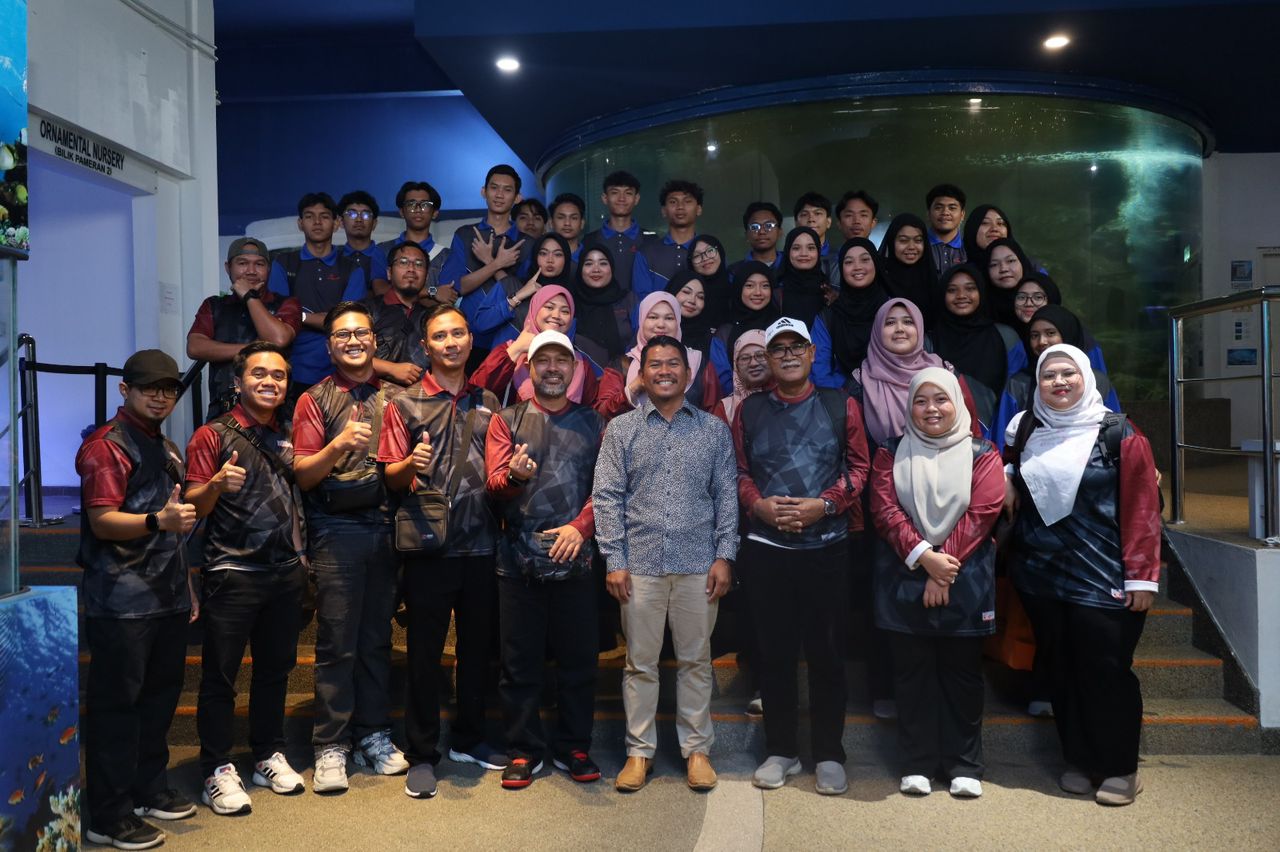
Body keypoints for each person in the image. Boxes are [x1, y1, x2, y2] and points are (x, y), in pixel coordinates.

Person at [1003, 344, 1161, 807]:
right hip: (1041, 575)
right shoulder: (1028, 428)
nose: (1058, 382)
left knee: (1106, 671)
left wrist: (1142, 577)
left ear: (1087, 377)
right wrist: (1009, 474)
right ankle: (1077, 758)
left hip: (1106, 572)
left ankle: (1120, 767)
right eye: (1049, 375)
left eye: (1067, 373)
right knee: (1061, 668)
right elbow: (1012, 465)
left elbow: (1143, 509)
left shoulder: (1120, 434)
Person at [593, 335, 738, 794]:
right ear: (642, 374)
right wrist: (614, 560)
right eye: (654, 364)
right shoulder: (621, 430)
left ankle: (697, 751)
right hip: (639, 565)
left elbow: (726, 497)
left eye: (673, 364)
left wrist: (725, 555)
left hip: (699, 564)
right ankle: (639, 753)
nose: (664, 371)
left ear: (687, 374)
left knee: (696, 661)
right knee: (640, 664)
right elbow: (607, 497)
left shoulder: (712, 430)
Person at [733, 316, 870, 796]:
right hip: (767, 550)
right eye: (779, 349)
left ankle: (829, 753)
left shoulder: (839, 404)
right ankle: (782, 750)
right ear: (768, 359)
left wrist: (824, 506)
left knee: (827, 655)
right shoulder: (750, 410)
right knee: (774, 655)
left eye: (797, 347)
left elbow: (860, 468)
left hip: (826, 547)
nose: (788, 355)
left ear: (813, 354)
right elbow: (739, 471)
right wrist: (758, 506)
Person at [377, 306, 506, 799]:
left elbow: (497, 472)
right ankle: (422, 753)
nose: (450, 343)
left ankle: (469, 739)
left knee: (477, 652)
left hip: (482, 544)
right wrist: (410, 463)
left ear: (470, 340)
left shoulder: (488, 400)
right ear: (425, 347)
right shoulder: (404, 403)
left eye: (457, 333)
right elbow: (390, 477)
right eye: (439, 336)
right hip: (428, 547)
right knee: (424, 655)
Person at [77, 350, 198, 850]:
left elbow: (176, 526)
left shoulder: (165, 445)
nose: (160, 396)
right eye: (150, 387)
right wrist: (156, 521)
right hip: (121, 598)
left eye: (168, 388)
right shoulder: (106, 446)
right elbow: (103, 521)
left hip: (166, 594)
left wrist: (185, 584)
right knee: (117, 707)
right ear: (125, 390)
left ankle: (148, 790)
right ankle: (107, 815)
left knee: (160, 699)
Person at [869, 368, 1004, 798]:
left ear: (957, 403)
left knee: (963, 676)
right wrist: (926, 558)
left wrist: (943, 567)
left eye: (941, 399)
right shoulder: (890, 452)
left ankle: (965, 765)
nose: (931, 409)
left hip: (965, 581)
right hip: (905, 576)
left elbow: (983, 511)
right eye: (921, 400)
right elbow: (885, 510)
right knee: (912, 677)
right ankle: (917, 764)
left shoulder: (983, 453)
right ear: (909, 407)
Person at [846, 299, 984, 719]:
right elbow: (853, 446)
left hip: (949, 501)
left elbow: (972, 432)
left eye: (908, 321)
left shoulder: (946, 372)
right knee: (887, 596)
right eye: (890, 322)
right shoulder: (860, 380)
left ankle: (941, 698)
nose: (900, 328)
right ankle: (885, 688)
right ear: (877, 331)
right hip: (886, 502)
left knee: (945, 593)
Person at [185, 342, 307, 815]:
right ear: (237, 382)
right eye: (259, 374)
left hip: (284, 572)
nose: (269, 382)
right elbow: (193, 507)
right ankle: (215, 768)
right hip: (232, 572)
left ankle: (267, 754)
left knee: (275, 671)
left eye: (278, 375)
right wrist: (216, 485)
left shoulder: (288, 433)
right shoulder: (211, 435)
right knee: (220, 677)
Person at [291, 301, 407, 794]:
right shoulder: (313, 399)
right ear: (329, 345)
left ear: (375, 341)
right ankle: (331, 744)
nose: (353, 341)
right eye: (343, 334)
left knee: (377, 640)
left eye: (361, 333)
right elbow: (303, 474)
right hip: (336, 531)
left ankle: (373, 734)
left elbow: (403, 470)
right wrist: (338, 445)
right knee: (337, 642)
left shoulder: (397, 397)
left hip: (386, 527)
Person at [484, 330, 608, 789]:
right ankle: (524, 749)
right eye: (543, 361)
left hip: (576, 558)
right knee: (519, 664)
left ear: (574, 369)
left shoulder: (595, 423)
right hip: (517, 561)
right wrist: (514, 478)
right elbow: (493, 488)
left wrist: (581, 528)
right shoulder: (507, 419)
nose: (552, 368)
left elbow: (608, 490)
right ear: (529, 368)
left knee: (578, 662)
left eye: (561, 360)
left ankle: (575, 746)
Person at [267, 192, 369, 401]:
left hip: (341, 370)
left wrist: (301, 317)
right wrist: (322, 318)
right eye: (309, 216)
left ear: (336, 223)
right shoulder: (284, 263)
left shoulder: (352, 268)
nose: (317, 222)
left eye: (324, 216)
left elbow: (345, 322)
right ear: (300, 223)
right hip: (292, 370)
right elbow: (278, 319)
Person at [188, 237, 301, 421]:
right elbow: (195, 347)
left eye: (259, 264)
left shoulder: (286, 303)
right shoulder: (214, 305)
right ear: (228, 268)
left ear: (268, 269)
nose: (251, 271)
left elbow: (278, 339)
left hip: (276, 415)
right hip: (223, 411)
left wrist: (249, 297)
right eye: (242, 263)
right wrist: (253, 349)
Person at [992, 304, 1119, 452]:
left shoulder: (1097, 381)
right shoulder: (1019, 383)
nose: (1042, 341)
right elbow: (1003, 440)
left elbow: (1114, 432)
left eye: (1050, 333)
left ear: (1068, 333)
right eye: (1034, 335)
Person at [469, 284, 607, 409]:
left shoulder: (579, 362)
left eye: (565, 311)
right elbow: (476, 391)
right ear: (534, 310)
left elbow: (591, 412)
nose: (556, 315)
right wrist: (516, 350)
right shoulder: (509, 350)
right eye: (549, 307)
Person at [441, 165, 527, 358]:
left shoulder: (527, 243)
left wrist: (489, 262)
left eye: (507, 190)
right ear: (483, 192)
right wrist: (496, 264)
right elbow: (455, 288)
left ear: (517, 198)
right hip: (469, 338)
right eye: (494, 188)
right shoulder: (465, 234)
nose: (499, 195)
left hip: (512, 340)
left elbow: (525, 296)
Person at [930, 264, 1027, 432]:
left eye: (970, 288)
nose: (961, 295)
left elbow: (1018, 392)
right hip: (943, 435)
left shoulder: (1006, 337)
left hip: (1000, 435)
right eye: (952, 290)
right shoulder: (929, 342)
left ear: (981, 292)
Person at [598, 291, 721, 417]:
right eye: (653, 317)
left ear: (678, 322)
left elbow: (714, 418)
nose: (661, 325)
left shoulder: (699, 363)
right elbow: (601, 413)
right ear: (641, 321)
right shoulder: (622, 364)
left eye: (669, 318)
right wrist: (635, 386)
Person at [470, 232, 574, 351]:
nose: (550, 260)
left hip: (546, 361)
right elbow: (480, 324)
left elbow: (567, 346)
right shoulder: (510, 285)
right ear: (535, 257)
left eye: (558, 254)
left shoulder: (569, 298)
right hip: (505, 360)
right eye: (543, 253)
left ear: (566, 260)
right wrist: (518, 296)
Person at [812, 238, 890, 388]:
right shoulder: (828, 317)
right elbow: (820, 374)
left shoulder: (891, 310)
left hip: (888, 392)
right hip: (841, 395)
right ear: (841, 269)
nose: (857, 267)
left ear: (876, 264)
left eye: (865, 260)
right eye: (848, 262)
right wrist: (849, 391)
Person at [377, 180, 456, 309]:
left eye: (425, 205)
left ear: (435, 213)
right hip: (388, 318)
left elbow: (446, 299)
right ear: (401, 211)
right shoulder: (382, 250)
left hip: (432, 320)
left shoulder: (448, 256)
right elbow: (380, 291)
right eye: (411, 204)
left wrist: (405, 294)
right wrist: (432, 291)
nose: (418, 209)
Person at [363, 241, 433, 387]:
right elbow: (346, 356)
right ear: (389, 273)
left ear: (426, 276)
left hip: (420, 397)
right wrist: (391, 369)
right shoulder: (365, 311)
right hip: (371, 395)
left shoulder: (432, 317)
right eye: (403, 262)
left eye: (419, 264)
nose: (411, 269)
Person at [709, 261, 781, 395]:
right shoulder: (725, 333)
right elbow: (722, 380)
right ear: (738, 289)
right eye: (749, 286)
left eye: (765, 286)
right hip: (738, 403)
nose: (758, 292)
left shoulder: (781, 327)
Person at [569, 244, 635, 375]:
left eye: (603, 263)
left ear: (612, 268)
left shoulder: (628, 300)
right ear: (580, 269)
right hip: (581, 378)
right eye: (588, 264)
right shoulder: (570, 302)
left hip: (626, 378)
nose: (596, 269)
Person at [631, 179, 703, 298]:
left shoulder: (709, 253)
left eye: (687, 201)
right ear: (664, 211)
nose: (680, 207)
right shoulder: (646, 253)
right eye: (673, 202)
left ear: (699, 209)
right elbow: (642, 300)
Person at [582, 170, 647, 294]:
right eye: (615, 192)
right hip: (600, 305)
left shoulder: (650, 240)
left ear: (636, 198)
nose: (621, 198)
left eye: (628, 193)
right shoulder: (589, 240)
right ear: (605, 198)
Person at [878, 214, 938, 327]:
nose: (911, 247)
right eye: (903, 240)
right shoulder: (879, 278)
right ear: (891, 242)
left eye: (918, 240)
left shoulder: (930, 279)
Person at [774, 226, 828, 327]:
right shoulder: (776, 290)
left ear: (818, 251)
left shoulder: (828, 291)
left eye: (811, 248)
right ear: (788, 251)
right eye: (796, 248)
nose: (804, 253)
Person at [338, 190, 389, 294]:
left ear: (374, 223)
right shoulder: (334, 256)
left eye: (366, 215)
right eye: (352, 214)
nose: (359, 219)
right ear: (341, 222)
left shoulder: (386, 256)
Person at [983, 236, 1035, 326]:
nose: (1003, 269)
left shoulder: (1042, 301)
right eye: (994, 264)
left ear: (1022, 263)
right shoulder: (981, 310)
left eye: (1011, 261)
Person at [688, 234, 734, 329]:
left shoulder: (738, 289)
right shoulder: (688, 296)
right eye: (697, 256)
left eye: (710, 251)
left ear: (720, 251)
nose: (705, 258)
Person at [665, 270, 715, 357]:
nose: (692, 300)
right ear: (673, 291)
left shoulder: (711, 342)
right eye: (686, 292)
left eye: (700, 297)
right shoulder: (655, 328)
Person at [793, 191, 837, 280]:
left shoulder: (840, 258)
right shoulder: (788, 259)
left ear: (828, 222)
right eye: (804, 214)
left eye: (817, 213)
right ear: (796, 223)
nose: (811, 219)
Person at [925, 183, 967, 274]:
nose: (945, 212)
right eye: (938, 208)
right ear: (928, 214)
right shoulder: (917, 247)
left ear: (962, 215)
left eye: (952, 208)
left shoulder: (969, 248)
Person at [960, 204, 1010, 273]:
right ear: (972, 229)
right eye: (985, 223)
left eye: (1000, 223)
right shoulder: (962, 274)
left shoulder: (1021, 266)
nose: (995, 229)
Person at [736, 201, 783, 272]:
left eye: (769, 225)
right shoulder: (734, 272)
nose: (762, 232)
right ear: (746, 235)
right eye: (755, 227)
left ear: (779, 232)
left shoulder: (792, 265)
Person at [549, 192, 586, 263]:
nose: (567, 223)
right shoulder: (542, 258)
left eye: (574, 218)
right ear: (551, 223)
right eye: (561, 217)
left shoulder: (590, 258)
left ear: (582, 223)